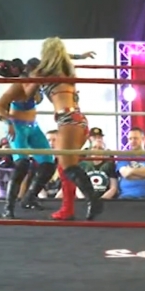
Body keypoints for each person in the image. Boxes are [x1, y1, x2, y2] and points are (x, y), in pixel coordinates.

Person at [22, 38, 103, 220]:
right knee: (63, 166)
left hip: (68, 120)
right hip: (78, 119)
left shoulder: (43, 71)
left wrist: (25, 77)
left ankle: (94, 200)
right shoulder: (67, 69)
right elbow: (63, 57)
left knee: (68, 167)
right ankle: (68, 209)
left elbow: (26, 95)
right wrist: (80, 56)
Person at [0, 58, 61, 219]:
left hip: (33, 127)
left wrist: (79, 57)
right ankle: (8, 207)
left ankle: (29, 197)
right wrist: (8, 121)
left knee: (49, 163)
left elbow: (55, 59)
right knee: (22, 164)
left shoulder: (37, 84)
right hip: (17, 126)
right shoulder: (18, 85)